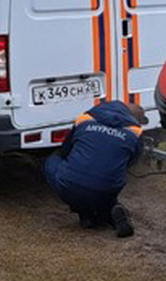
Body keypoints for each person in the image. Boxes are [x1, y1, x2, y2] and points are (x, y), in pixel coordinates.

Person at [43, 100, 146, 237]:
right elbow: (131, 162)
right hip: (107, 189)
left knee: (51, 161)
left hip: (70, 185)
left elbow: (66, 150)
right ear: (133, 118)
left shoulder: (85, 119)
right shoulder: (135, 133)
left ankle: (86, 214)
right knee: (105, 179)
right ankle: (109, 211)